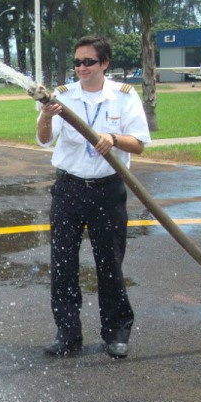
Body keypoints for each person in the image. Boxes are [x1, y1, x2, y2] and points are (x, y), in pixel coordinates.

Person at [36, 36, 151, 358]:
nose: (81, 68)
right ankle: (68, 335)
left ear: (104, 64)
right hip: (69, 190)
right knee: (63, 265)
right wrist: (46, 116)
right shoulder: (61, 97)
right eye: (77, 62)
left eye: (88, 62)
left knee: (110, 264)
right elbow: (44, 140)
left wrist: (112, 139)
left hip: (107, 189)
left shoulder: (124, 97)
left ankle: (116, 333)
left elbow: (139, 143)